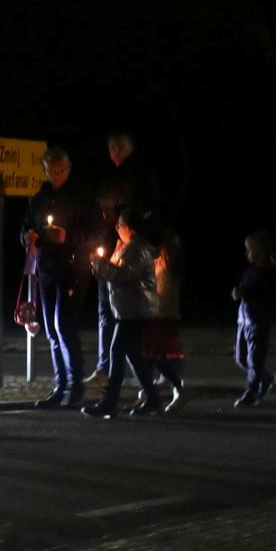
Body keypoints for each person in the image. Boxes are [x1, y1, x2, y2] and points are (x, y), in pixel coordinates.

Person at [21, 147, 95, 408]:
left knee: (64, 325)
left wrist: (69, 239)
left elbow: (95, 233)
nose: (57, 175)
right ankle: (60, 385)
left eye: (61, 170)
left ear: (69, 168)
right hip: (46, 268)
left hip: (73, 268)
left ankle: (76, 386)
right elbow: (28, 226)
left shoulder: (82, 197)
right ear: (45, 170)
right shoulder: (39, 198)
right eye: (52, 171)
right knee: (51, 329)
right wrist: (28, 237)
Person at [87, 129, 161, 387]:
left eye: (120, 145)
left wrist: (140, 240)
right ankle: (105, 366)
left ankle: (150, 372)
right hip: (110, 248)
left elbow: (148, 214)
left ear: (130, 147)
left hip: (131, 251)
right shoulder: (108, 178)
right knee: (105, 309)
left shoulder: (142, 176)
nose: (115, 151)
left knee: (133, 315)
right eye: (111, 146)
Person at [82, 209, 161, 418]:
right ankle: (152, 399)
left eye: (120, 225)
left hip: (136, 311)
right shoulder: (128, 249)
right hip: (129, 310)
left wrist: (100, 263)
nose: (116, 229)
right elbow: (115, 275)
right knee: (133, 356)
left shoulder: (138, 251)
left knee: (116, 352)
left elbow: (122, 275)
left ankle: (109, 402)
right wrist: (101, 267)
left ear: (130, 229)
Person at [233, 230, 276, 407]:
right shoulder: (250, 271)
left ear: (260, 251)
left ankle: (252, 392)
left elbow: (265, 296)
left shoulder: (269, 273)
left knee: (255, 359)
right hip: (244, 320)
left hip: (258, 321)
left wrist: (245, 294)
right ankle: (265, 378)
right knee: (241, 357)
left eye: (249, 249)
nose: (247, 253)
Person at [146, 224, 188, 412]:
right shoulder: (159, 263)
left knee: (159, 353)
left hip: (163, 313)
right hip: (157, 312)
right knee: (157, 353)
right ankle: (166, 384)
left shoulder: (169, 266)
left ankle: (178, 389)